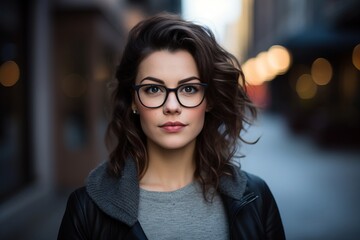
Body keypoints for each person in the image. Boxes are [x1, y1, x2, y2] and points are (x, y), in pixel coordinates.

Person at [58, 13, 285, 240]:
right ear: (134, 101)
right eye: (154, 89)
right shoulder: (86, 209)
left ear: (209, 100)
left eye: (189, 89)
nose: (172, 106)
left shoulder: (256, 198)